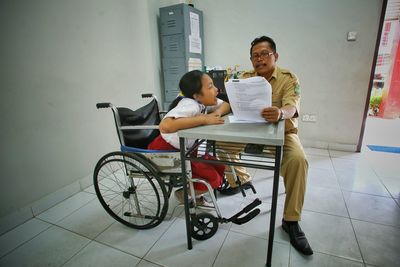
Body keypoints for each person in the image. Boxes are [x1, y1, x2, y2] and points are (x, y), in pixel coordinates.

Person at [241, 36, 313, 255]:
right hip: (249, 132)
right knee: (214, 145)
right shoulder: (244, 78)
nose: (259, 59)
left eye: (265, 54)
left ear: (275, 56)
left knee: (298, 160)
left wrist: (281, 112)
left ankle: (291, 220)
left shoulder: (289, 78)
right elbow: (231, 103)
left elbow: (292, 107)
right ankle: (238, 180)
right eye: (255, 55)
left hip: (282, 132)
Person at [148, 70, 231, 207]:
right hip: (166, 151)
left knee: (218, 165)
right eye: (210, 87)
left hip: (186, 150)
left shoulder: (201, 102)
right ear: (197, 95)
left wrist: (216, 113)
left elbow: (226, 104)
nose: (217, 89)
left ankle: (194, 193)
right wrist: (204, 119)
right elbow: (165, 126)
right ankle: (184, 194)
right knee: (212, 176)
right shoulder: (189, 105)